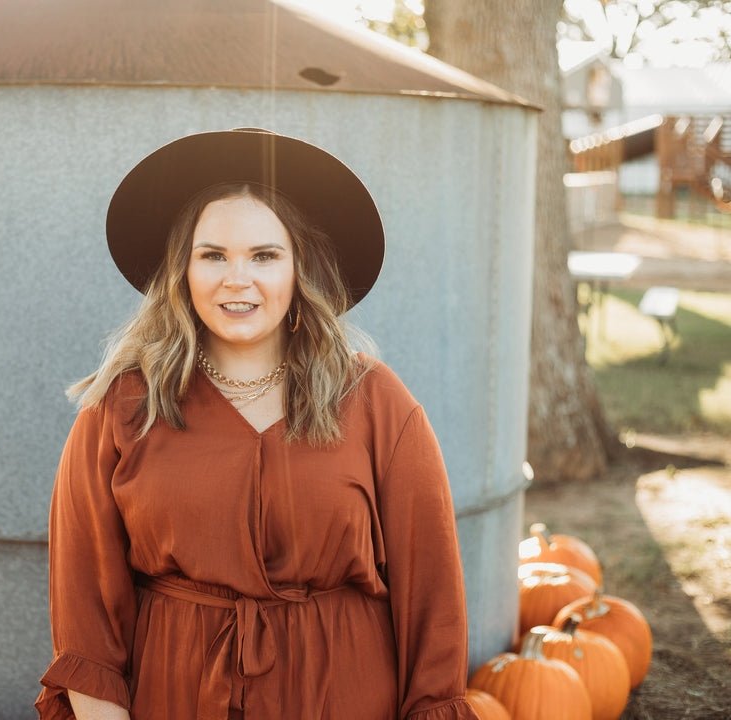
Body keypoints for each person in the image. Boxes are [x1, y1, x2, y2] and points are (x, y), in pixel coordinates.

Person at [35, 129, 477, 720]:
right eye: (213, 255)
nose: (236, 279)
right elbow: (85, 613)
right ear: (182, 271)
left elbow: (433, 600)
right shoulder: (120, 409)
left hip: (341, 697)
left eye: (265, 256)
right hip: (177, 699)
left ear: (300, 271)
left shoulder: (376, 402)